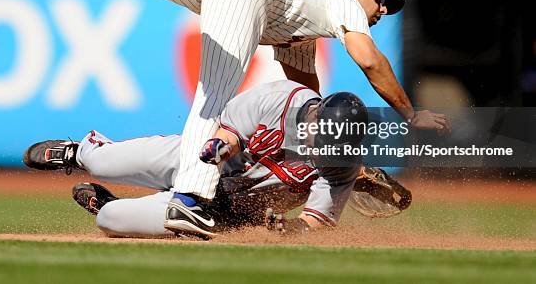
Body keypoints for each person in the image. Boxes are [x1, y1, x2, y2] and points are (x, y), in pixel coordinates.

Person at [112, 0, 448, 237]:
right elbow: (371, 60)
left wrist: (336, 153)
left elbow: (305, 101)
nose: (384, 9)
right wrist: (410, 114)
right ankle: (188, 199)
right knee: (214, 92)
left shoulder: (303, 29)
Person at [24, 80, 412, 238]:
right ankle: (79, 150)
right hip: (194, 163)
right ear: (316, 114)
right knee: (102, 164)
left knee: (110, 221)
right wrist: (220, 147)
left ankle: (115, 206)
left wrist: (287, 229)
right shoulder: (282, 98)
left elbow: (313, 225)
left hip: (219, 209)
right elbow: (226, 133)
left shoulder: (338, 165)